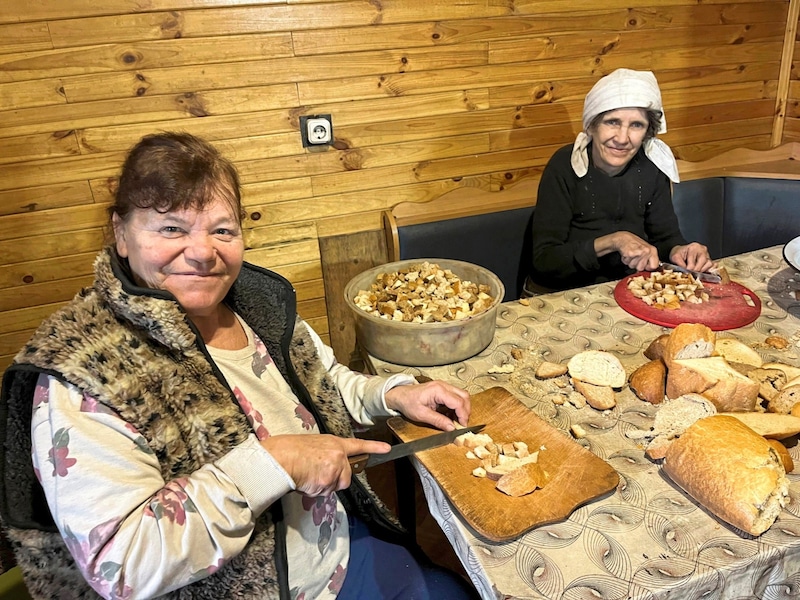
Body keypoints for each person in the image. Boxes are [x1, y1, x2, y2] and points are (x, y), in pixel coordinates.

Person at [0, 132, 479, 600]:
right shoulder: (84, 374)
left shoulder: (256, 306)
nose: (204, 251)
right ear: (120, 235)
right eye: (171, 228)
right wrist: (273, 465)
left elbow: (324, 383)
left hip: (333, 544)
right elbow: (122, 564)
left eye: (223, 230)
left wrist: (393, 395)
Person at [526, 68, 715, 293]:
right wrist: (613, 241)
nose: (622, 138)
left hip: (627, 290)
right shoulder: (564, 166)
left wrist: (679, 251)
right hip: (559, 293)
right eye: (612, 122)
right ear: (592, 125)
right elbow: (545, 261)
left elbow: (665, 237)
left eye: (636, 125)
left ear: (647, 132)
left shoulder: (652, 167)